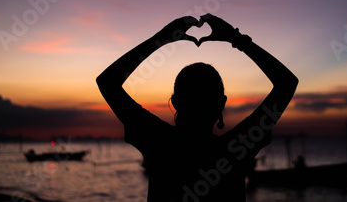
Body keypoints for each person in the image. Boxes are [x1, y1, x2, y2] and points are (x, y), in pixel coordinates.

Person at [96, 14, 298, 202]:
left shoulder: (157, 141)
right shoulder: (238, 147)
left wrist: (161, 39)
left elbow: (108, 82)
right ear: (221, 103)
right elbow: (286, 83)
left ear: (175, 102)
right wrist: (236, 39)